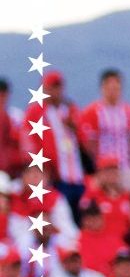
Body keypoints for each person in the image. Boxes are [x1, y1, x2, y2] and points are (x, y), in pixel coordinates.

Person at [24, 70, 86, 214]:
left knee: (79, 214)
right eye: (51, 87)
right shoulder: (36, 112)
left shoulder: (71, 109)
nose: (55, 91)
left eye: (58, 87)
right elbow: (30, 141)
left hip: (76, 175)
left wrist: (73, 126)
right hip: (55, 175)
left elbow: (83, 137)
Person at [78, 69, 130, 189]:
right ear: (102, 88)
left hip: (125, 167)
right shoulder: (92, 112)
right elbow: (89, 144)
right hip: (103, 168)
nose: (113, 92)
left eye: (116, 88)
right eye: (110, 88)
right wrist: (96, 169)